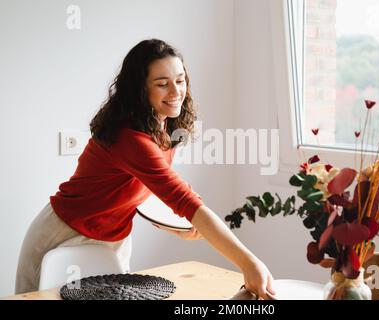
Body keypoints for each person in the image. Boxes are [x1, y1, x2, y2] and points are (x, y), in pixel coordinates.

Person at [15, 39, 275, 299]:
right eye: (162, 84)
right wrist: (249, 263)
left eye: (181, 80)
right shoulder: (130, 138)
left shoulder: (165, 127)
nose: (176, 91)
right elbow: (184, 200)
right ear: (140, 89)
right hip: (63, 233)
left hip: (114, 239)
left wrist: (174, 224)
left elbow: (146, 187)